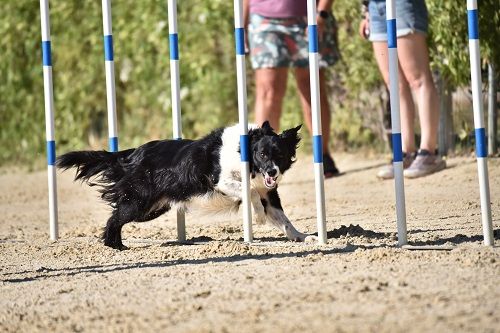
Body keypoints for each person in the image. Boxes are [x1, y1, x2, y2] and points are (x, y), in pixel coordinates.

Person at [243, 0, 341, 178]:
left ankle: (323, 154)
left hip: (308, 15)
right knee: (268, 90)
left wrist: (322, 13)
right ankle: (262, 158)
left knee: (311, 87)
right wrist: (241, 24)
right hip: (264, 19)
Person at [359, 0, 446, 179]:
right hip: (375, 7)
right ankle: (406, 152)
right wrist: (366, 10)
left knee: (418, 79)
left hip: (403, 3)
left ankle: (429, 152)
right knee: (394, 84)